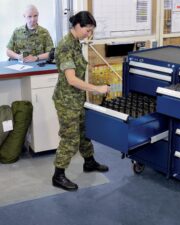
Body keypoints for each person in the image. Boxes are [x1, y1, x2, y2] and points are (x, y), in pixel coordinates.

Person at [52, 11, 110, 192]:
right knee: (70, 138)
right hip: (66, 100)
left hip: (77, 98)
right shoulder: (65, 46)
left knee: (85, 131)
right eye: (88, 29)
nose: (89, 34)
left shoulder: (76, 43)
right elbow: (71, 79)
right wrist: (97, 88)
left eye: (91, 30)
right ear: (77, 25)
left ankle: (89, 162)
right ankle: (58, 175)